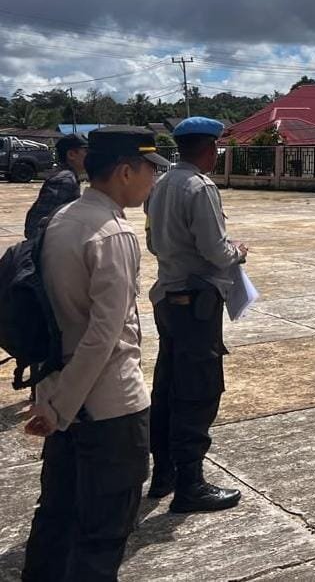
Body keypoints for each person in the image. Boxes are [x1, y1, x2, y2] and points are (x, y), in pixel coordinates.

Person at [21, 126, 169, 581]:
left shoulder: (63, 218)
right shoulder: (113, 233)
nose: (153, 180)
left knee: (57, 514)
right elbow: (104, 336)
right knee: (104, 529)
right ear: (125, 171)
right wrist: (63, 406)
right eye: (150, 170)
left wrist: (53, 402)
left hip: (61, 392)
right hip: (108, 407)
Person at [146, 116, 247, 512]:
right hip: (196, 302)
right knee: (199, 389)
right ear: (210, 149)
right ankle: (190, 485)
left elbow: (153, 242)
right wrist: (237, 252)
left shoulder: (160, 183)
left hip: (167, 295)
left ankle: (164, 473)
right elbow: (215, 251)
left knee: (167, 385)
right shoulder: (199, 187)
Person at [23, 132, 88, 239]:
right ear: (71, 155)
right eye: (86, 151)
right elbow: (39, 221)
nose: (90, 156)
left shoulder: (68, 176)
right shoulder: (64, 180)